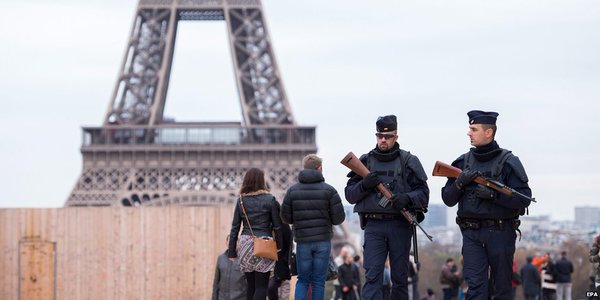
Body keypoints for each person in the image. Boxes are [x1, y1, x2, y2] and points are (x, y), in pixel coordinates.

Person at [441, 110, 532, 299]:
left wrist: (493, 195)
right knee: (475, 289)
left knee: (502, 289)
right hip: (472, 235)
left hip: (500, 234)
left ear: (488, 132)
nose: (469, 133)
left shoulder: (508, 162)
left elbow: (523, 199)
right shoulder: (462, 162)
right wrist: (459, 183)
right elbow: (448, 199)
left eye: (474, 129)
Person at [345, 114, 429, 300]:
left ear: (396, 137)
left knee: (399, 277)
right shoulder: (365, 161)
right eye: (379, 136)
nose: (383, 139)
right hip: (374, 226)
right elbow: (350, 195)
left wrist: (406, 198)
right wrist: (365, 184)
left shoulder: (408, 161)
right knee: (372, 275)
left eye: (388, 136)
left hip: (400, 224)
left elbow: (423, 194)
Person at [280, 154, 346, 300]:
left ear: (304, 168)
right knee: (318, 281)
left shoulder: (292, 191)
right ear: (320, 168)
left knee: (303, 280)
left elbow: (285, 217)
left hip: (303, 241)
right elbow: (338, 218)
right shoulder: (330, 190)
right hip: (323, 241)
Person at [228, 168, 283, 300]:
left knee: (251, 286)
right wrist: (279, 246)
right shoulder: (270, 199)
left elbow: (235, 227)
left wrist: (231, 251)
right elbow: (277, 226)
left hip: (245, 244)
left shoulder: (241, 200)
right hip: (264, 244)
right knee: (261, 287)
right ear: (262, 181)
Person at [213, 235, 247, 300]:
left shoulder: (244, 259)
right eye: (230, 241)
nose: (232, 243)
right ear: (226, 243)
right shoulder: (220, 258)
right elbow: (216, 282)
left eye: (234, 241)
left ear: (238, 243)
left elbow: (249, 282)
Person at [268, 223, 292, 300]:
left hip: (282, 264)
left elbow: (289, 245)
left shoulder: (284, 225)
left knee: (282, 288)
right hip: (270, 263)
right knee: (271, 288)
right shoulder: (267, 224)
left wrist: (285, 261)